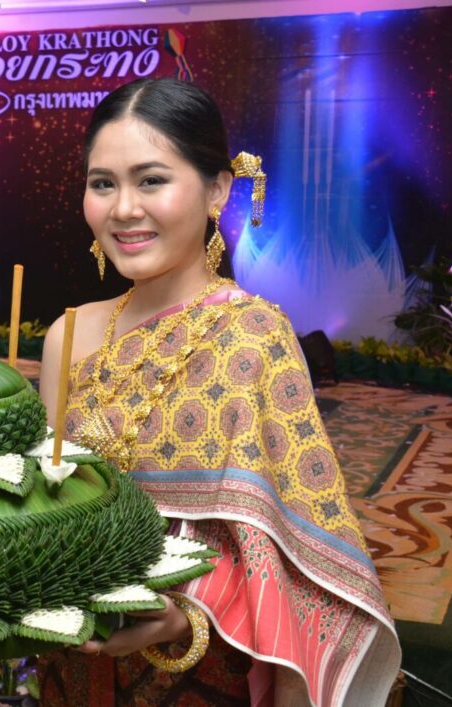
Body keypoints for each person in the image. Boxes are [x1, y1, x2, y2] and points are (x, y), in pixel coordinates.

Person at [36, 78, 400, 706]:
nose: (123, 208)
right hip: (71, 660)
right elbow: (44, 501)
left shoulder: (254, 335)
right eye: (103, 183)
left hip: (194, 671)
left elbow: (296, 546)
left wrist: (187, 613)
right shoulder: (69, 335)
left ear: (216, 190)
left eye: (151, 180)